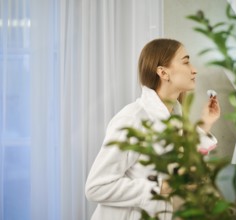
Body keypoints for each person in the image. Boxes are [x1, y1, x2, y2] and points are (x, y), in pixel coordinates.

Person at [85, 38, 221, 220]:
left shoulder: (173, 118)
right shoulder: (133, 119)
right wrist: (162, 187)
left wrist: (206, 122)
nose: (194, 69)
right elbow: (96, 187)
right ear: (163, 73)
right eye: (186, 61)